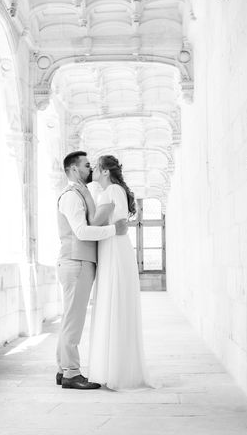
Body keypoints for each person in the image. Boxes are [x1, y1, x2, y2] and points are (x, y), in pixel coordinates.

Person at [55, 151, 129, 390]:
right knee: (73, 321)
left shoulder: (80, 193)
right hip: (76, 263)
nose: (90, 169)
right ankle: (71, 373)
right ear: (75, 170)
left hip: (80, 262)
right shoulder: (71, 196)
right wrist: (114, 231)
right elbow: (81, 231)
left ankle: (63, 369)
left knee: (70, 318)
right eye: (87, 165)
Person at [87, 154, 152, 390]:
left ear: (105, 171)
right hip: (115, 246)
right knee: (113, 303)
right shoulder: (115, 191)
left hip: (113, 248)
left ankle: (113, 370)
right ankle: (115, 367)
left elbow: (94, 223)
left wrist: (89, 196)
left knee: (112, 302)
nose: (92, 171)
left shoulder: (111, 191)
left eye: (95, 168)